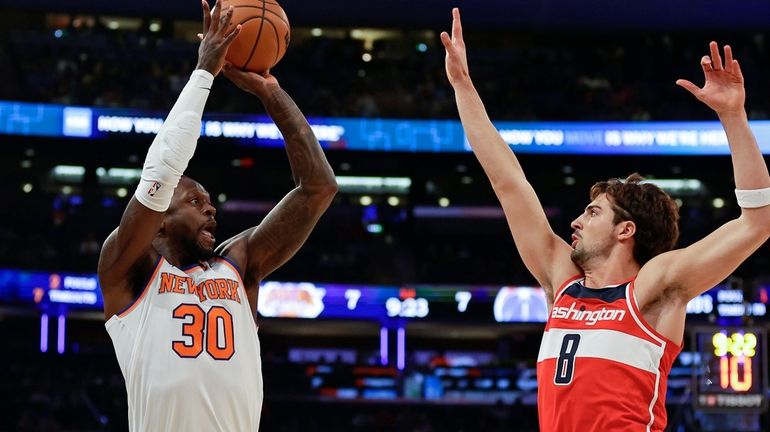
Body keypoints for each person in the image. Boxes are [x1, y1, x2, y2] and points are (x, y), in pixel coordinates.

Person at [441, 8, 770, 431]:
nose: (575, 222)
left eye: (592, 212)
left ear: (625, 230)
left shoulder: (653, 288)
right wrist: (462, 85)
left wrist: (733, 117)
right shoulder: (563, 283)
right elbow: (508, 183)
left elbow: (757, 222)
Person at [97, 1, 337, 430]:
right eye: (194, 202)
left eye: (209, 202)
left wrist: (271, 93)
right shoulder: (128, 269)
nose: (210, 208)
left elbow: (318, 188)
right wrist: (203, 74)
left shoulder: (237, 264)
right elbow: (162, 169)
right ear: (160, 221)